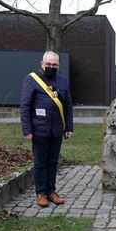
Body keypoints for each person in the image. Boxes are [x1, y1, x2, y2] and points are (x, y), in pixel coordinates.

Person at [20, 51, 73, 207]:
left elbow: (68, 105)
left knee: (53, 162)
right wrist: (27, 129)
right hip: (39, 129)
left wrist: (68, 127)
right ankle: (41, 193)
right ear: (42, 64)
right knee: (40, 163)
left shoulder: (63, 81)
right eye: (48, 64)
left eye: (54, 65)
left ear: (58, 66)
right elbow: (25, 106)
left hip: (56, 129)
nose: (51, 67)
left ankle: (51, 192)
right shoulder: (31, 80)